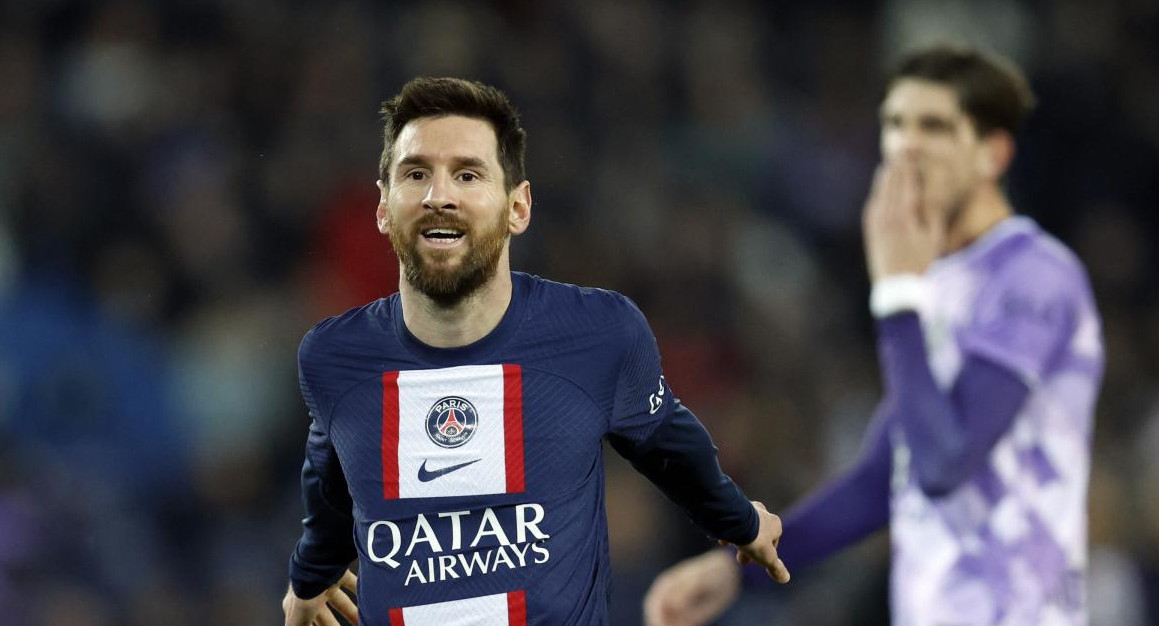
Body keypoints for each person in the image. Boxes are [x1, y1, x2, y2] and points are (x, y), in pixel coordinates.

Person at [281, 77, 791, 626]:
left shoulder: (598, 334)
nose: (439, 196)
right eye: (416, 174)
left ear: (517, 208)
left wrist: (739, 520)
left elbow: (667, 441)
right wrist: (311, 577)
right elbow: (329, 479)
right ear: (383, 208)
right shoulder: (333, 357)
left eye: (468, 174)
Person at [644, 44, 1103, 626]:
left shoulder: (1036, 277)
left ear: (993, 152)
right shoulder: (940, 286)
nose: (908, 146)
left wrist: (896, 297)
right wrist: (739, 567)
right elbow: (883, 477)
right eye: (896, 124)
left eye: (934, 126)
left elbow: (943, 467)